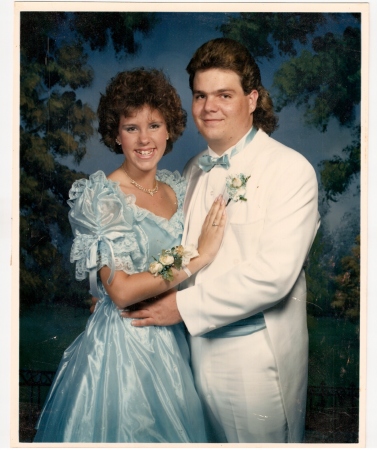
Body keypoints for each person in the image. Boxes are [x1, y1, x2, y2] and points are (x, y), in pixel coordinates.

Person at [123, 38, 321, 443]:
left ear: (252, 99)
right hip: (192, 353)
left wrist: (179, 306)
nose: (209, 107)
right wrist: (125, 288)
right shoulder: (194, 169)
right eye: (200, 96)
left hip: (254, 363)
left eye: (224, 95)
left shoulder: (290, 169)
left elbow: (274, 275)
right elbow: (180, 252)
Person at [33, 68, 226, 443]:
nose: (144, 138)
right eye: (131, 127)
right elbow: (120, 291)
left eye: (154, 125)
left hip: (174, 338)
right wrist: (197, 259)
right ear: (115, 134)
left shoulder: (178, 188)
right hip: (124, 346)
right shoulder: (101, 196)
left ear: (169, 130)